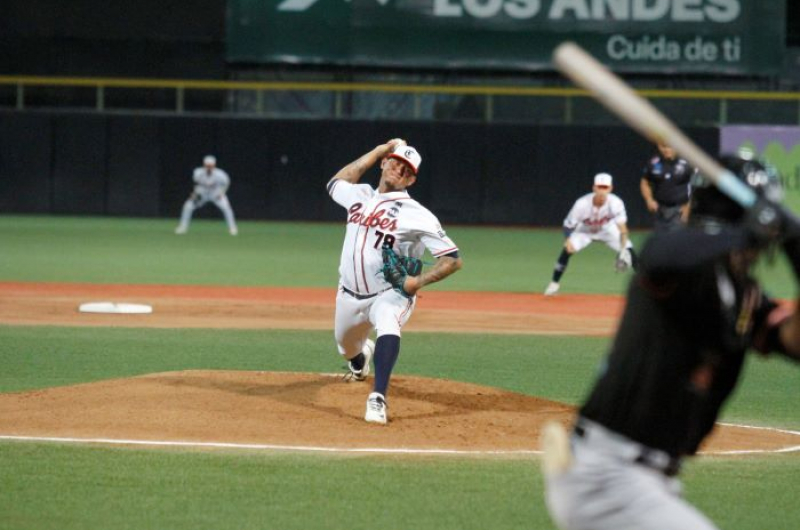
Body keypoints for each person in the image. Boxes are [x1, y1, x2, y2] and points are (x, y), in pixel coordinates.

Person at [542, 155, 800, 530]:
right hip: (610, 476)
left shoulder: (744, 292)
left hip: (649, 481)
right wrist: (748, 232)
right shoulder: (685, 264)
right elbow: (658, 256)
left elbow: (793, 342)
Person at [326, 138, 462, 424]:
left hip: (390, 291)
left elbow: (452, 258)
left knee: (389, 320)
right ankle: (360, 360)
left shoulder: (418, 215)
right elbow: (335, 183)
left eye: (407, 170)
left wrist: (417, 282)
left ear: (411, 179)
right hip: (348, 294)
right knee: (345, 347)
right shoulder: (360, 195)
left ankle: (378, 398)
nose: (399, 170)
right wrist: (376, 151)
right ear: (385, 162)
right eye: (396, 162)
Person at [544, 172, 637, 296]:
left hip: (607, 230)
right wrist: (567, 240)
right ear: (594, 188)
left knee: (632, 253)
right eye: (600, 187)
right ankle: (553, 284)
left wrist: (624, 249)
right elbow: (568, 225)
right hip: (585, 230)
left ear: (610, 188)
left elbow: (623, 230)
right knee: (567, 250)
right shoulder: (581, 204)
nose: (602, 191)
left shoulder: (616, 203)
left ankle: (647, 289)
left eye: (605, 187)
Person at [175, 155, 238, 235]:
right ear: (204, 165)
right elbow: (196, 184)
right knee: (188, 206)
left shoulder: (220, 174)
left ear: (214, 165)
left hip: (216, 194)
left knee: (226, 208)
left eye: (210, 166)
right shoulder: (198, 172)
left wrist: (222, 192)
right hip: (202, 194)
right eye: (207, 165)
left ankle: (232, 228)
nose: (209, 167)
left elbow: (227, 183)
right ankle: (183, 227)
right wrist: (194, 193)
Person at [640, 141, 696, 231]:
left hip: (678, 209)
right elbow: (645, 183)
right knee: (659, 240)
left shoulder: (687, 164)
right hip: (659, 209)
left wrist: (688, 206)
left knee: (676, 240)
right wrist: (649, 200)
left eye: (670, 147)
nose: (667, 150)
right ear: (659, 146)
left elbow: (694, 186)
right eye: (664, 147)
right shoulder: (654, 163)